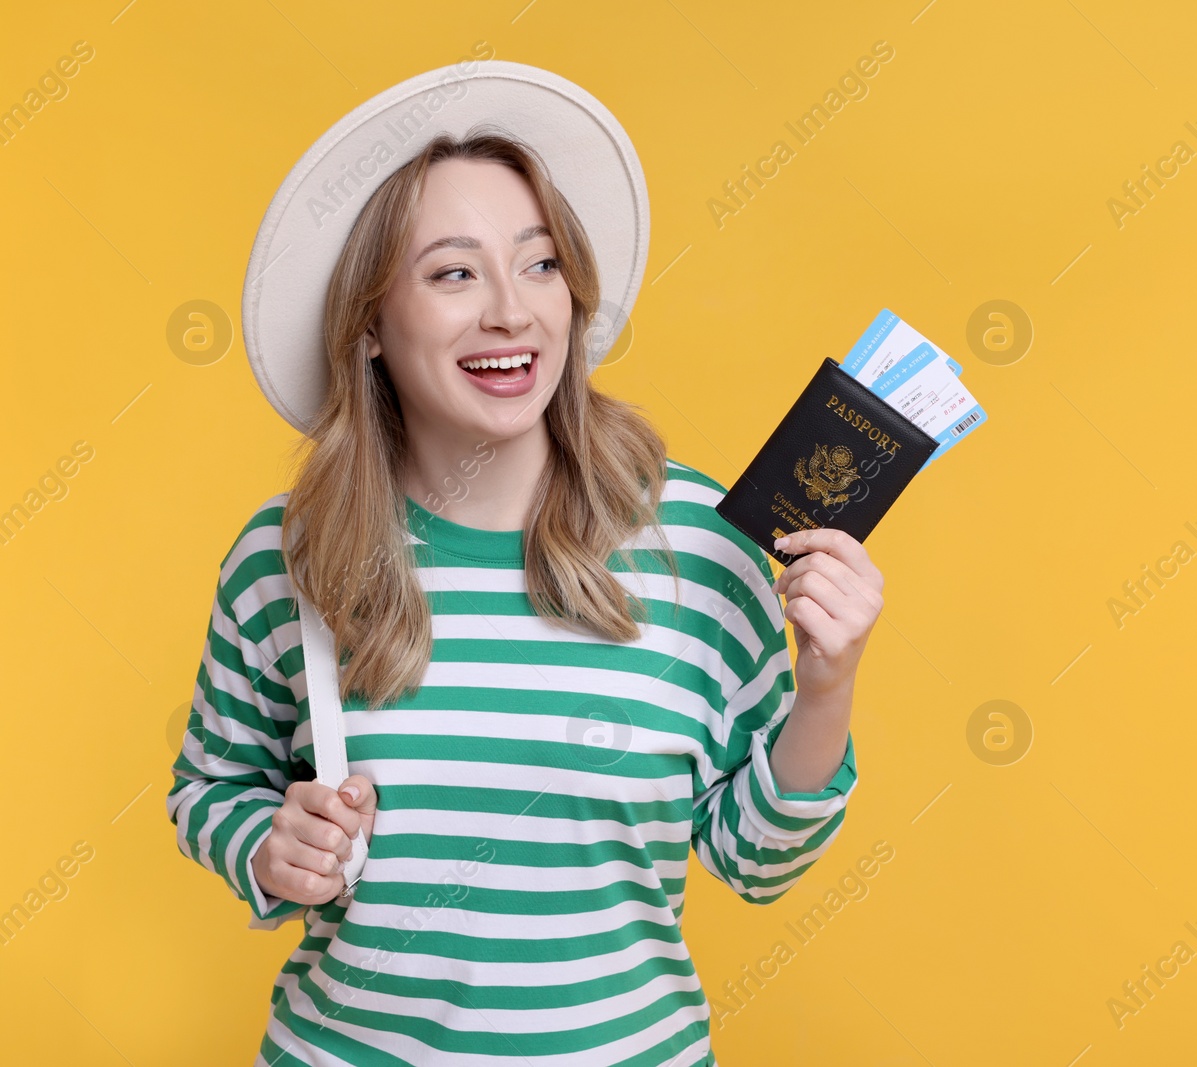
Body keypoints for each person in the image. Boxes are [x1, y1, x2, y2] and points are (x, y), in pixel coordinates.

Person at [165, 62, 882, 1067]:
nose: (511, 310)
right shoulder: (287, 556)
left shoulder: (698, 539)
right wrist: (266, 845)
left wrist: (827, 684)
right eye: (453, 272)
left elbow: (756, 858)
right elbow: (211, 785)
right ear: (369, 323)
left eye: (539, 264)